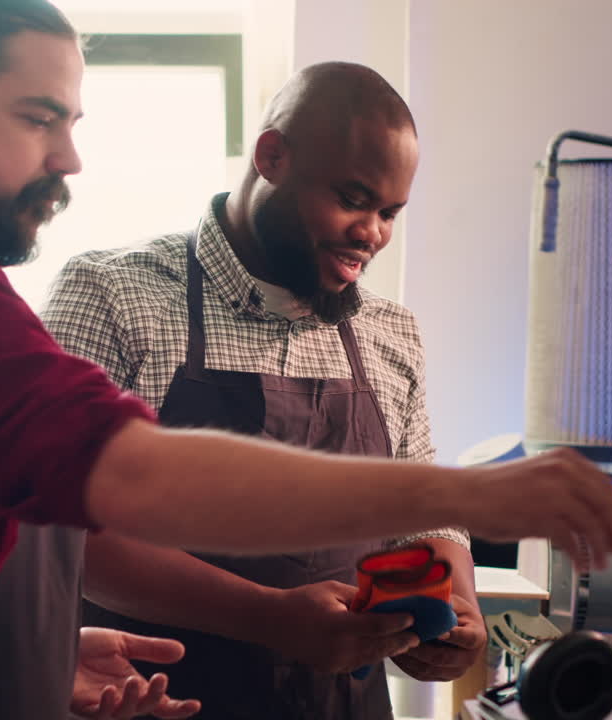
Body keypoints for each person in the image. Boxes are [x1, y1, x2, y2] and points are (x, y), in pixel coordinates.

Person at [0, 1, 612, 718]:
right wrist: (470, 495)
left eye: (72, 124)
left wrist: (48, 661)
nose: (70, 159)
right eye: (39, 119)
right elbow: (127, 482)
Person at [41, 61, 486, 719]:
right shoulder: (112, 294)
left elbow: (420, 513)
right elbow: (60, 528)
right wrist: (273, 618)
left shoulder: (392, 332)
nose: (373, 234)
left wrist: (454, 602)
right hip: (157, 702)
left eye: (390, 213)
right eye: (354, 198)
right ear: (272, 156)